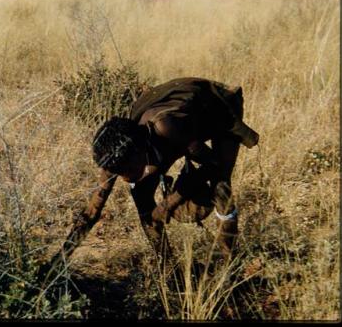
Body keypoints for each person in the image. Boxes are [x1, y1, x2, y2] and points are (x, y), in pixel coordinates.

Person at [38, 77, 259, 285]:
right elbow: (91, 212)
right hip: (180, 130)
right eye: (120, 173)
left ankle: (226, 268)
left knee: (221, 187)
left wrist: (168, 203)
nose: (124, 178)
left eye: (129, 169)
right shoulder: (113, 157)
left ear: (140, 149)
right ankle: (169, 268)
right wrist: (60, 260)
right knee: (141, 196)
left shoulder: (166, 127)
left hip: (216, 108)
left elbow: (212, 163)